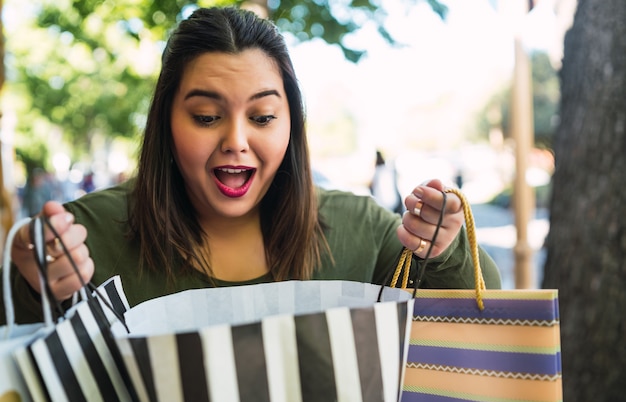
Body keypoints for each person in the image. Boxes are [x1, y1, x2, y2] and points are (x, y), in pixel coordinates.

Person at [1, 6, 500, 325]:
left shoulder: (362, 231)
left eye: (262, 116)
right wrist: (29, 279)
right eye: (206, 116)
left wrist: (442, 248)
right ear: (165, 122)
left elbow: (481, 310)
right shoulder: (91, 234)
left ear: (291, 124)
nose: (235, 141)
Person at [370, 149, 404, 214]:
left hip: (384, 204)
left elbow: (372, 187)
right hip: (395, 201)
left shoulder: (376, 173)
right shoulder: (389, 170)